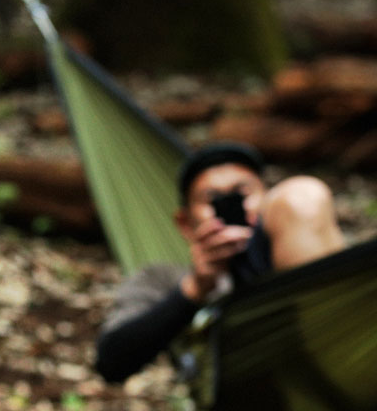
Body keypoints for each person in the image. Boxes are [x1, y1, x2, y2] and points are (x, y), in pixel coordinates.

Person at [95, 142, 346, 383]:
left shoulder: (306, 239)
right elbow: (111, 363)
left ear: (269, 201)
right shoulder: (163, 278)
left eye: (242, 193)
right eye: (212, 198)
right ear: (184, 222)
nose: (232, 206)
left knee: (303, 194)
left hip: (337, 354)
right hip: (245, 389)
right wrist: (195, 288)